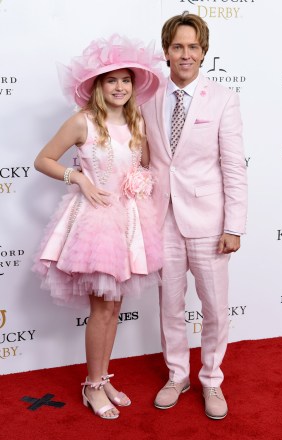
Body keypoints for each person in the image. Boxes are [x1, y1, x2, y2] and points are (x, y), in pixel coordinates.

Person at [33, 35, 163, 420]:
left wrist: (140, 182)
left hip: (129, 222)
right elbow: (43, 160)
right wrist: (80, 178)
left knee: (115, 305)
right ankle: (91, 387)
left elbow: (143, 168)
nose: (120, 87)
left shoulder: (135, 122)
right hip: (95, 223)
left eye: (126, 80)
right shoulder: (82, 122)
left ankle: (102, 376)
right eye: (111, 80)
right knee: (102, 308)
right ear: (97, 86)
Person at [141, 12, 248, 419]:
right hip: (160, 217)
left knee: (215, 308)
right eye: (178, 47)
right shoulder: (147, 98)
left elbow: (234, 167)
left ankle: (212, 379)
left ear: (204, 52)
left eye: (193, 47)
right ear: (166, 51)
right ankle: (177, 374)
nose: (185, 54)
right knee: (169, 304)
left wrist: (233, 225)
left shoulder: (223, 98)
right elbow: (146, 158)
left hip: (209, 221)